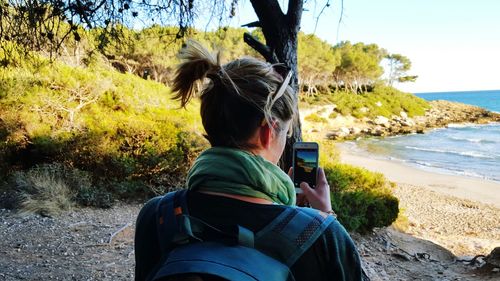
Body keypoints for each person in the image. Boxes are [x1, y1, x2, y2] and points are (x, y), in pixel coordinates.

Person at [135, 39, 363, 281]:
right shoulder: (323, 236)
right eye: (285, 133)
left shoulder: (157, 215)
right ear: (268, 131)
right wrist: (324, 215)